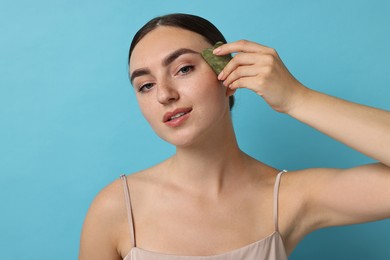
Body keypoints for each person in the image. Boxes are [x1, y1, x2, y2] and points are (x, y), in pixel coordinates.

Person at [79, 13, 390, 260]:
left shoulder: (288, 198)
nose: (164, 94)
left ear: (228, 75)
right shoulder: (117, 207)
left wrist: (297, 98)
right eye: (145, 85)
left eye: (184, 68)